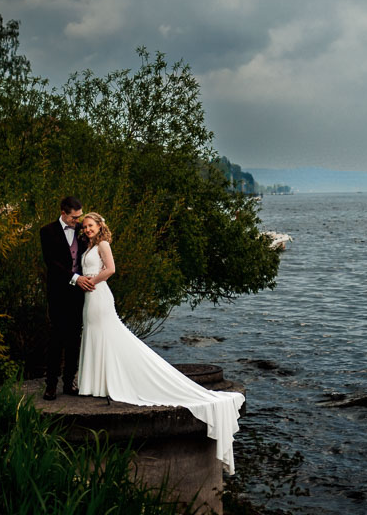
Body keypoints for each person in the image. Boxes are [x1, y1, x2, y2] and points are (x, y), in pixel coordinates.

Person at [77, 212, 245, 474]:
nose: (87, 229)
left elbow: (111, 270)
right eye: (84, 226)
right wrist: (83, 281)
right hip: (90, 296)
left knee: (107, 335)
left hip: (98, 294)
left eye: (91, 225)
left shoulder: (103, 245)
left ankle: (107, 380)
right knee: (94, 334)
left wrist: (90, 281)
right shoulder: (88, 246)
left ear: (100, 226)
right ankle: (97, 383)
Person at [39, 196, 94, 400]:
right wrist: (75, 278)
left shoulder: (81, 230)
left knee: (74, 339)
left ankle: (68, 382)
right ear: (63, 213)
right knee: (56, 338)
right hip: (58, 292)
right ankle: (50, 385)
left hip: (79, 294)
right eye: (74, 217)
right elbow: (52, 263)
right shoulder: (47, 231)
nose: (77, 221)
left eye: (79, 217)